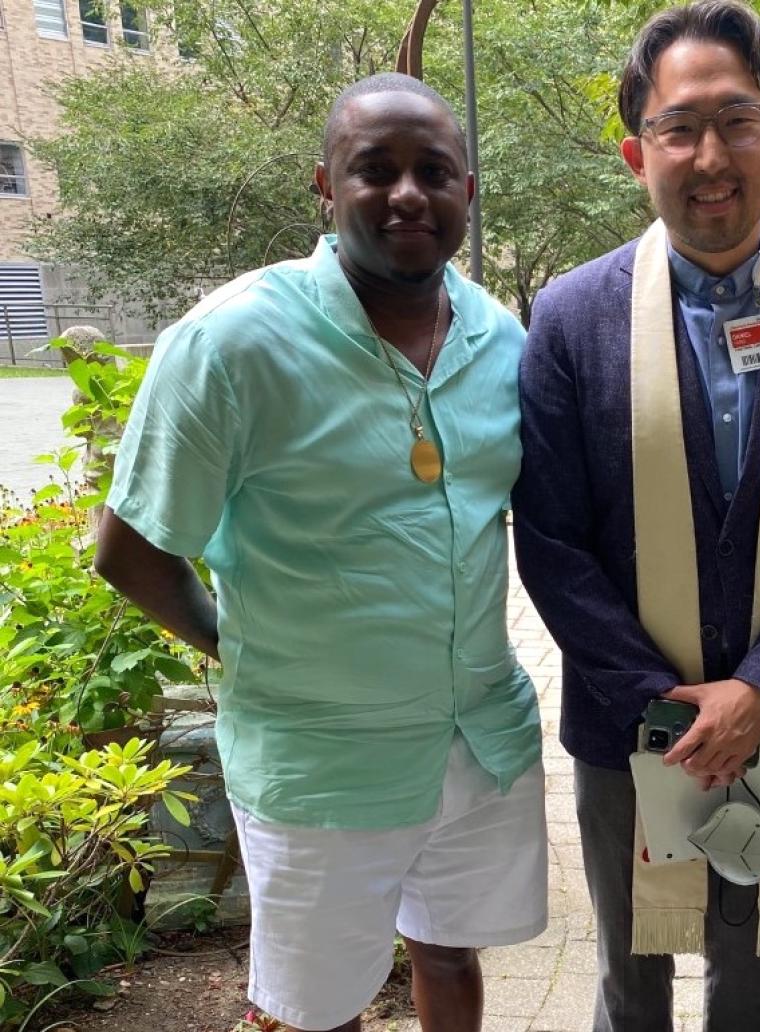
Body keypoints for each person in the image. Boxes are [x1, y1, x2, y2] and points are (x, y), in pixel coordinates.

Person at [94, 73, 546, 1032]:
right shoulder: (231, 343)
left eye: (434, 171)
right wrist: (245, 651)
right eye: (373, 170)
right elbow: (130, 553)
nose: (407, 194)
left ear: (468, 189)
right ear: (324, 185)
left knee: (452, 953)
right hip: (322, 760)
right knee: (316, 1009)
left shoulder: (499, 338)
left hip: (477, 739)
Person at [512, 3, 760, 1029]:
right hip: (619, 722)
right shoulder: (569, 316)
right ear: (636, 151)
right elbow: (549, 536)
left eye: (736, 120)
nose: (709, 153)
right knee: (628, 978)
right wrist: (662, 700)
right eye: (678, 127)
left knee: (751, 972)